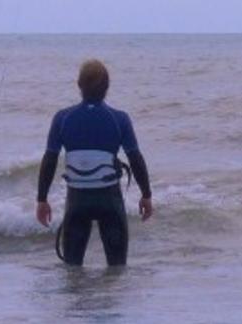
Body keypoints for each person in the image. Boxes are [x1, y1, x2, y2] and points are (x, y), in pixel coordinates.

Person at [36, 59, 153, 266]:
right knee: (117, 271)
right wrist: (146, 195)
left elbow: (50, 160)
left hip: (77, 203)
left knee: (72, 272)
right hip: (109, 201)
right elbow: (135, 158)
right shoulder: (120, 119)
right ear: (107, 87)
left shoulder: (62, 118)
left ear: (79, 85)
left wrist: (42, 199)